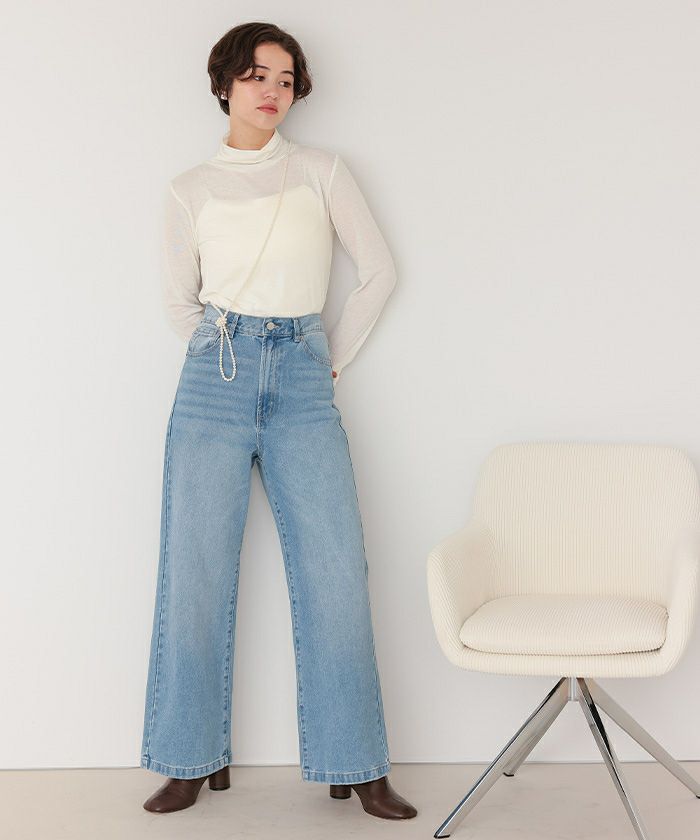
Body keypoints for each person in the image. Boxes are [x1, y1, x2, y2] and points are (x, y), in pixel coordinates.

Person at [140, 21, 416, 822]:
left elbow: (379, 271)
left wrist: (326, 359)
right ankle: (190, 760)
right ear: (226, 82)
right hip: (213, 381)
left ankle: (356, 763)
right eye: (258, 75)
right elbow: (178, 302)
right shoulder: (189, 188)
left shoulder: (322, 170)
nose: (272, 91)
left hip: (302, 378)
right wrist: (221, 348)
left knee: (335, 572)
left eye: (286, 80)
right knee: (193, 573)